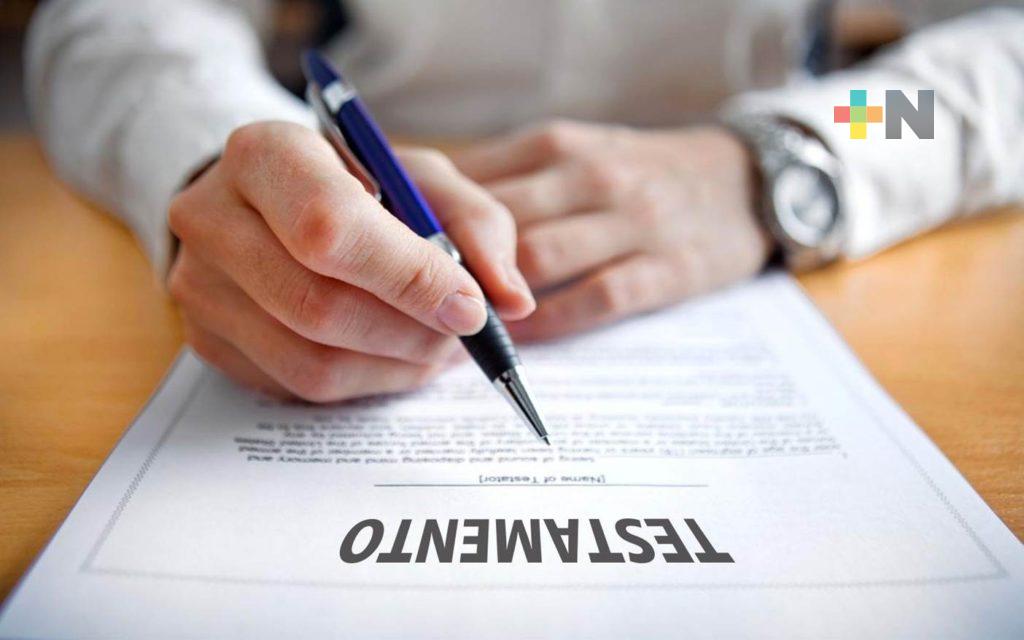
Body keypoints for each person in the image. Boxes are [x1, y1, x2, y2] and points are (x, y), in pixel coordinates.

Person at [25, 1, 1024, 402]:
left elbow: (1000, 52)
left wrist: (790, 159)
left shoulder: (786, 157)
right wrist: (219, 152)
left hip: (755, 234)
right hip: (366, 200)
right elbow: (115, 17)